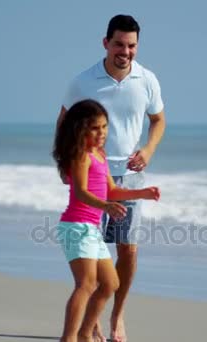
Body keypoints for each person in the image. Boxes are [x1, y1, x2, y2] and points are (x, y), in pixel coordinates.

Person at [56, 14, 165, 342]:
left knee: (127, 251)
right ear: (106, 43)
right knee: (94, 253)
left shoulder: (147, 80)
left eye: (131, 45)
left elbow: (158, 120)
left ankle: (117, 316)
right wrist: (65, 165)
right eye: (119, 44)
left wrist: (147, 149)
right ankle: (90, 324)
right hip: (92, 174)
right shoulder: (83, 81)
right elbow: (63, 123)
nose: (125, 51)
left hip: (129, 177)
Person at [53, 99, 160, 342]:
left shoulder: (100, 154)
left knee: (110, 283)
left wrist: (142, 193)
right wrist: (105, 207)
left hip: (90, 229)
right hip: (77, 226)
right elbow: (80, 191)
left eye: (104, 127)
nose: (101, 133)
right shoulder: (80, 155)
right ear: (81, 129)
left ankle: (84, 333)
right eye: (95, 128)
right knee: (86, 284)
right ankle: (68, 338)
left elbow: (111, 190)